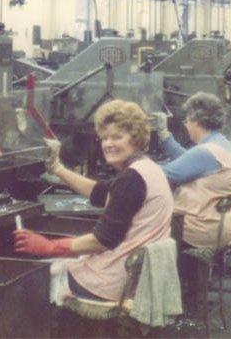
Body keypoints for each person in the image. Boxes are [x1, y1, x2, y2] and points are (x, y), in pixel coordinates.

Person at [12, 100, 174, 304]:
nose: (108, 144)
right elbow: (100, 192)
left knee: (29, 282)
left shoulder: (131, 178)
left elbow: (103, 240)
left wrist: (48, 246)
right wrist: (57, 168)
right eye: (104, 138)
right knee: (61, 264)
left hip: (113, 283)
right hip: (133, 277)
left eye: (117, 137)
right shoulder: (148, 168)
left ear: (135, 138)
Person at [150, 92, 231, 250]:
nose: (186, 125)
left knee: (142, 226)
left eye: (187, 120)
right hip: (220, 225)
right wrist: (164, 133)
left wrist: (134, 160)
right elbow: (188, 159)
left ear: (197, 121)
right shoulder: (221, 144)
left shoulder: (205, 152)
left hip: (199, 231)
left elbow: (163, 174)